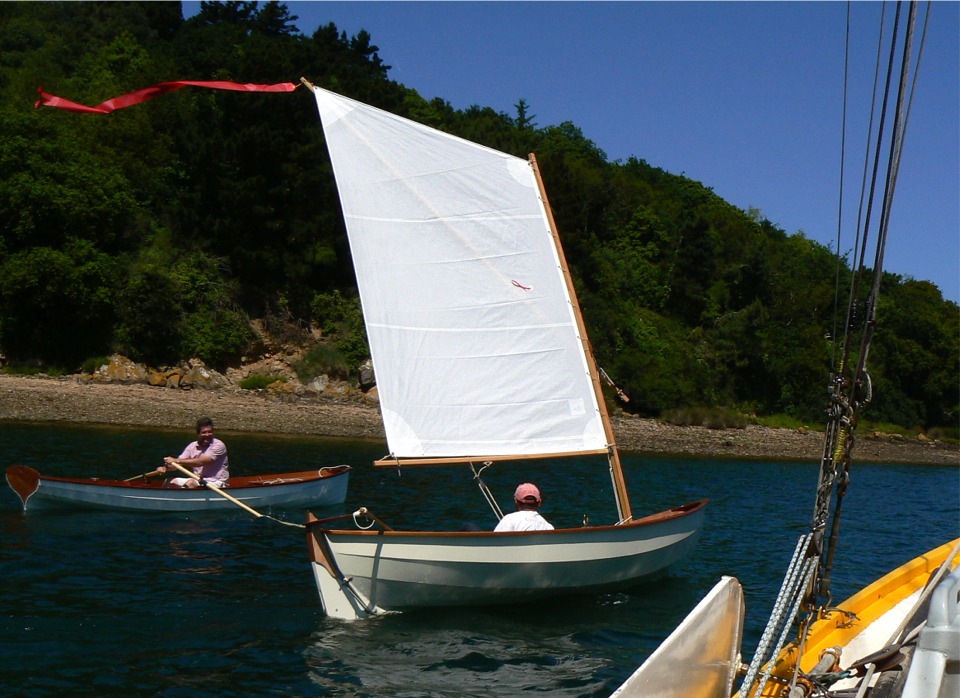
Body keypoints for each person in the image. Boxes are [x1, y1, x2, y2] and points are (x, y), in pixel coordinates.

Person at [155, 417, 229, 488]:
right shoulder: (192, 446)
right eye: (204, 432)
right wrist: (164, 468)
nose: (207, 435)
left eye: (209, 432)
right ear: (198, 433)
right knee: (170, 481)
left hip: (217, 482)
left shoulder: (218, 445)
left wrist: (176, 460)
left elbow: (201, 462)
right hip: (199, 480)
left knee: (190, 483)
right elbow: (177, 465)